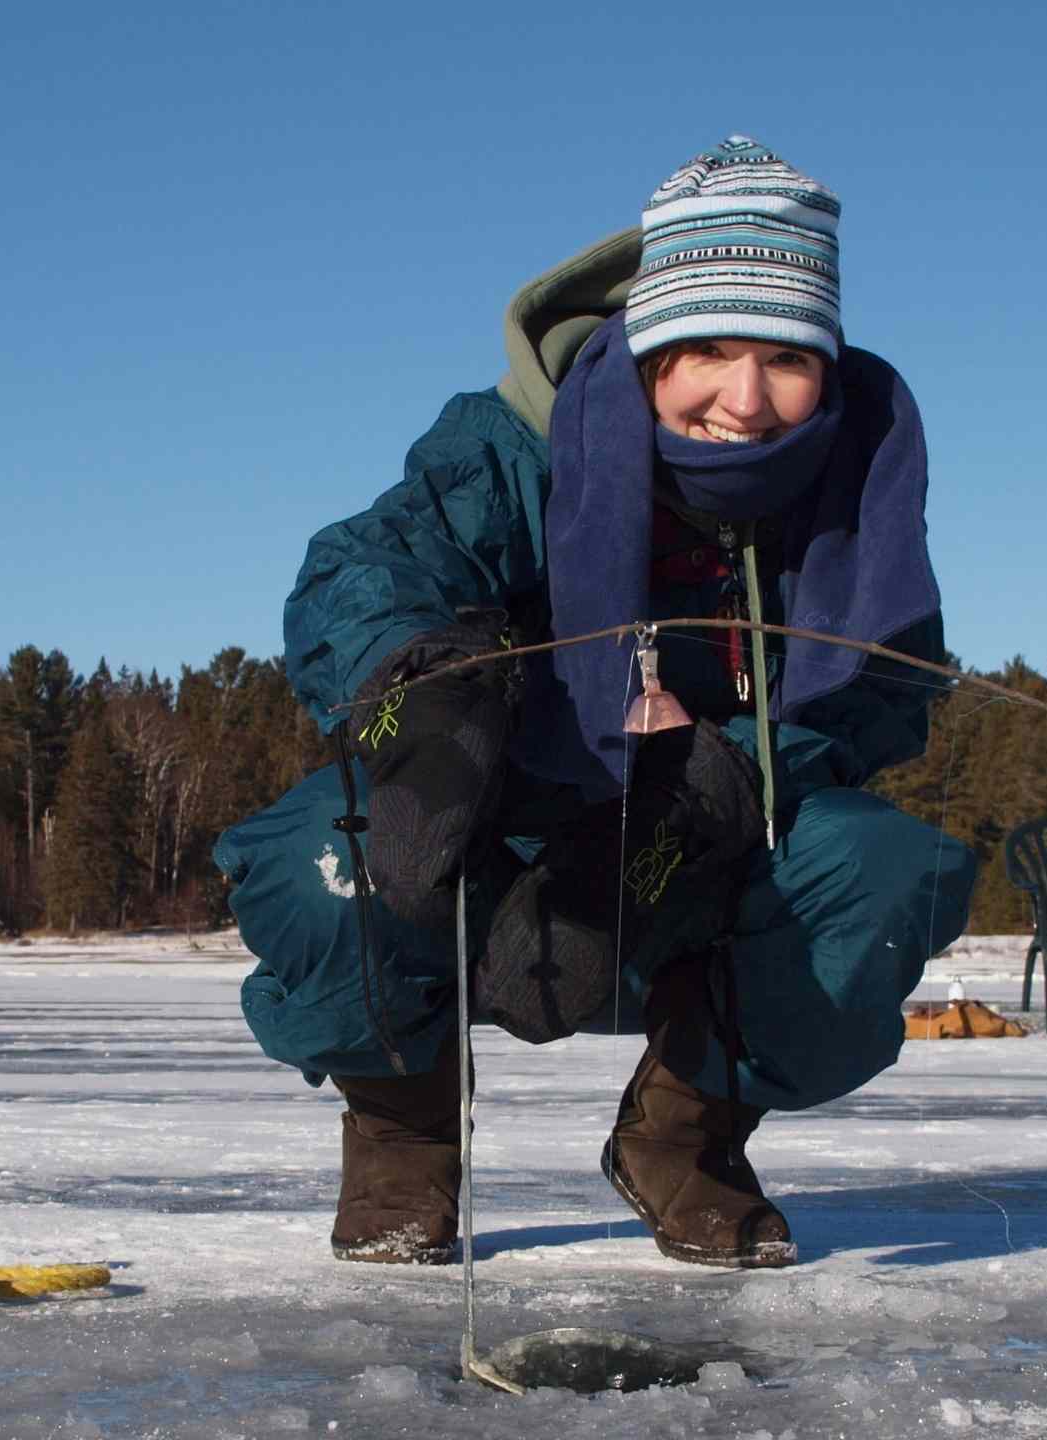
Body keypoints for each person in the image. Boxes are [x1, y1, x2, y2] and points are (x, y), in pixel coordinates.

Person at [216, 136, 977, 1270]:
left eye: (786, 358)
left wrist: (724, 773)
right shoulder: (517, 443)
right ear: (650, 344)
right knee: (322, 860)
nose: (746, 401)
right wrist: (431, 695)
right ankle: (403, 1135)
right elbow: (361, 574)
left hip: (703, 847)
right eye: (708, 349)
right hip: (494, 840)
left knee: (883, 870)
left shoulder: (858, 486)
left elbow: (881, 695)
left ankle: (682, 1139)